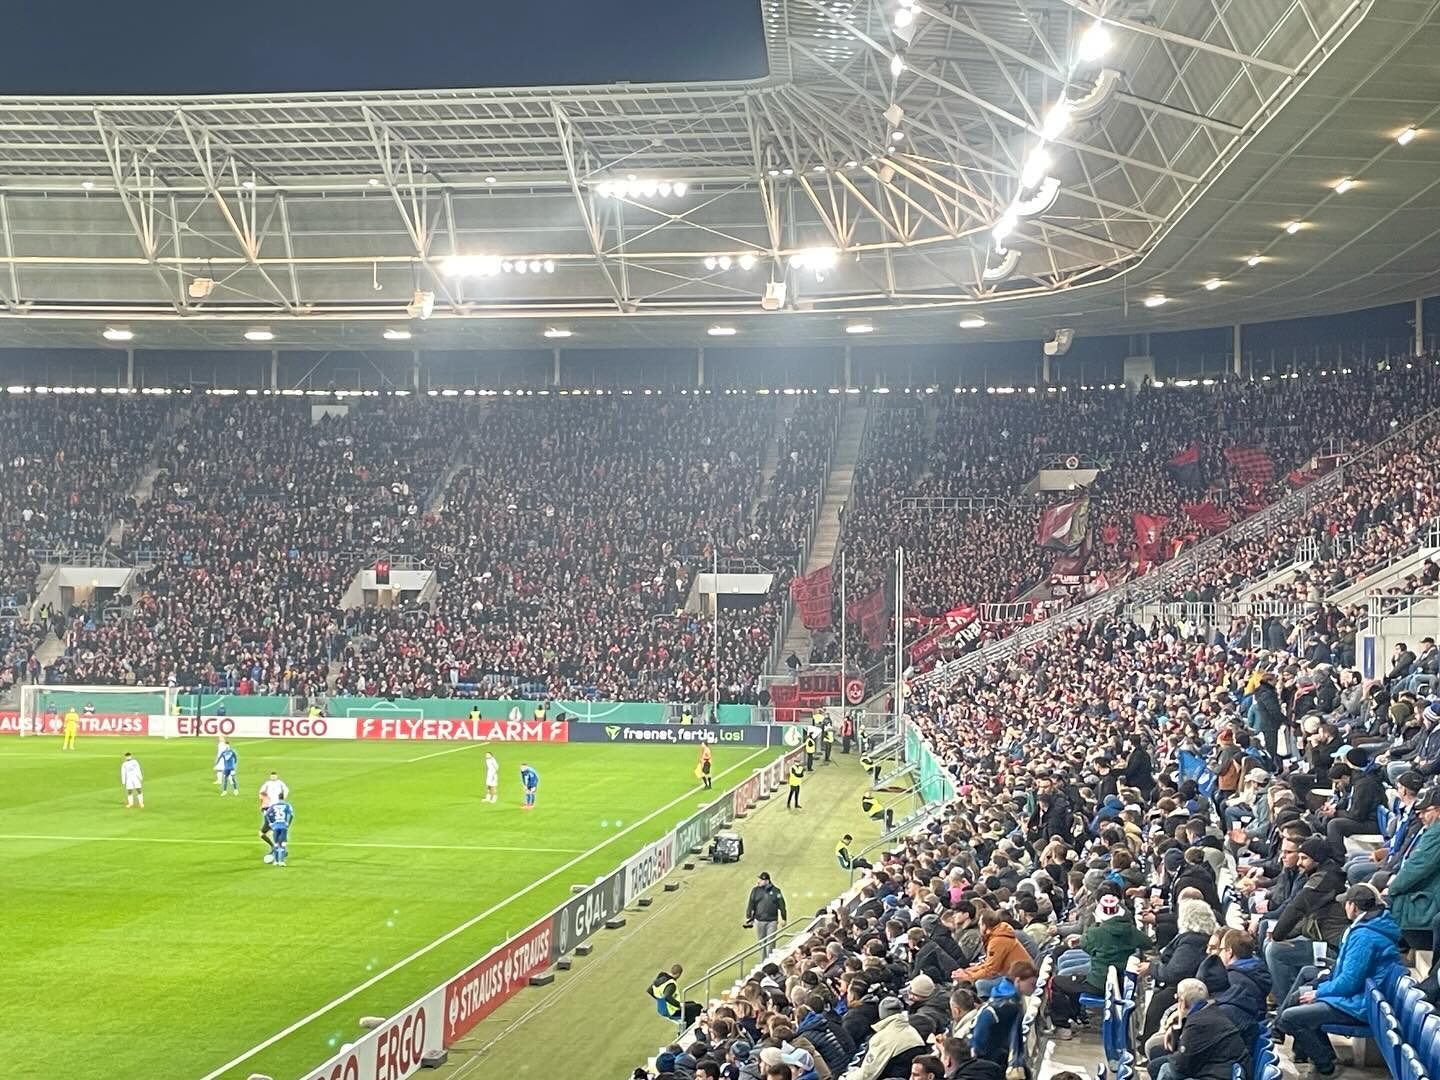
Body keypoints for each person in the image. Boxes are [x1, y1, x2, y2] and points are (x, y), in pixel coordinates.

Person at [1274, 883, 1403, 1078]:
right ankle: (1309, 1053)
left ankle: (1326, 1066)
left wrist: (1319, 992)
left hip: (1359, 1005)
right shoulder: (1372, 927)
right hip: (1359, 998)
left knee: (1290, 1017)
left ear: (1353, 906)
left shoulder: (1364, 937)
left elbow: (1349, 982)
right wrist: (1322, 985)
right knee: (1299, 997)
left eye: (1346, 903)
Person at [1049, 893, 1152, 1038]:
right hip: (1120, 982)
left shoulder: (1096, 932)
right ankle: (1078, 1016)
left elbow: (1087, 947)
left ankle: (1063, 1026)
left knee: (1056, 982)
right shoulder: (1130, 931)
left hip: (1097, 984)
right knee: (1074, 980)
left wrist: (1098, 927)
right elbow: (1147, 943)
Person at [1153, 978, 1248, 1080]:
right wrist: (1178, 1026)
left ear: (1183, 1002)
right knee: (1157, 1063)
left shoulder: (1197, 1023)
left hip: (1220, 1074)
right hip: (1221, 1067)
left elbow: (1179, 1066)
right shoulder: (1210, 1011)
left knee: (1165, 1070)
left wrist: (1181, 1018)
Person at [841, 997, 924, 1080]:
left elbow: (868, 1074)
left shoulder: (883, 1038)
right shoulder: (913, 1032)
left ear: (881, 1013)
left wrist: (846, 1078)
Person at [745, 871, 787, 950]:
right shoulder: (755, 891)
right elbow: (751, 904)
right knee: (761, 943)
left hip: (772, 921)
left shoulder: (776, 891)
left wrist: (784, 918)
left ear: (767, 881)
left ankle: (770, 957)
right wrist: (748, 917)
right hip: (759, 920)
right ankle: (763, 958)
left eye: (761, 880)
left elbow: (782, 905)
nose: (759, 881)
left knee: (771, 943)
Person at [259, 771, 289, 854]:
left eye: (274, 776)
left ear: (277, 776)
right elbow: (261, 792)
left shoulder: (280, 783)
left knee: (270, 831)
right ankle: (282, 848)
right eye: (272, 776)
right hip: (274, 809)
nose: (273, 778)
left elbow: (286, 790)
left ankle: (275, 847)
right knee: (277, 831)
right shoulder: (267, 784)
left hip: (271, 809)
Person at [262, 795, 294, 866]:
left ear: (278, 798)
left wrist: (270, 823)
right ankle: (281, 862)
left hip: (275, 826)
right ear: (283, 798)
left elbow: (266, 814)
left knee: (276, 844)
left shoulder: (273, 806)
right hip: (283, 826)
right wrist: (288, 823)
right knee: (283, 844)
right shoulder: (287, 805)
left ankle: (276, 862)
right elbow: (291, 815)